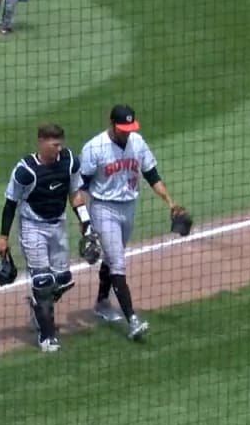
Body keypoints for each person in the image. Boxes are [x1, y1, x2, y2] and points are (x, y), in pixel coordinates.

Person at [78, 105, 183, 341]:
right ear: (112, 123)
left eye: (129, 128)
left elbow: (152, 174)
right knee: (117, 263)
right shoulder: (95, 148)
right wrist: (84, 222)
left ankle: (102, 302)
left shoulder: (137, 142)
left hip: (128, 208)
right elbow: (80, 186)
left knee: (112, 257)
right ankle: (132, 320)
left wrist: (170, 203)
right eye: (122, 128)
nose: (126, 132)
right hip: (103, 208)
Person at [0, 123, 94, 352]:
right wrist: (3, 236)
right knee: (42, 281)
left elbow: (75, 194)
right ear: (41, 142)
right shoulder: (25, 171)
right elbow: (11, 203)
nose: (58, 149)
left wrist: (85, 223)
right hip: (32, 228)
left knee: (63, 279)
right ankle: (46, 336)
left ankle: (38, 306)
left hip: (57, 225)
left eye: (60, 144)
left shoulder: (69, 162)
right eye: (54, 144)